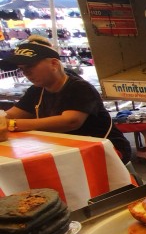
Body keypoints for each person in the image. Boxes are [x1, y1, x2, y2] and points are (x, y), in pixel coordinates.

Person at [0, 36, 132, 163]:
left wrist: (12, 124)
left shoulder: (79, 87)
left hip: (105, 150)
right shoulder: (36, 90)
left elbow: (70, 121)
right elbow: (10, 114)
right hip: (65, 150)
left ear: (54, 64)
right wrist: (4, 119)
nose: (26, 73)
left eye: (30, 67)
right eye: (22, 69)